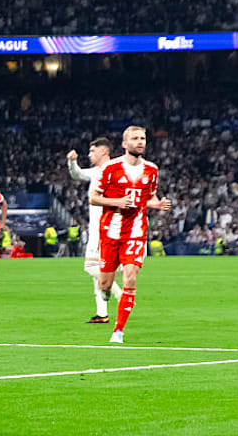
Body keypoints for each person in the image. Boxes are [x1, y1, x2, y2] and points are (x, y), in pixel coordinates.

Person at [89, 126, 171, 343]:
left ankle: (118, 331)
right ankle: (105, 293)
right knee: (105, 284)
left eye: (143, 138)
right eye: (135, 138)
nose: (140, 142)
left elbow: (149, 197)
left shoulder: (152, 170)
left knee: (130, 277)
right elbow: (93, 197)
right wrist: (115, 202)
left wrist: (158, 204)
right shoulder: (110, 168)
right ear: (125, 144)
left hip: (136, 231)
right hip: (110, 232)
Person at [68, 139, 122, 323]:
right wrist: (72, 162)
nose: (89, 154)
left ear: (104, 151)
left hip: (105, 228)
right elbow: (77, 174)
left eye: (92, 151)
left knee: (91, 267)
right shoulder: (96, 172)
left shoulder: (115, 170)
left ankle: (119, 295)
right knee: (97, 269)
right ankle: (102, 313)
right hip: (97, 227)